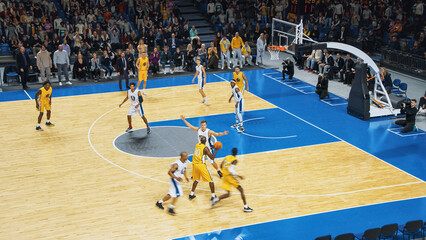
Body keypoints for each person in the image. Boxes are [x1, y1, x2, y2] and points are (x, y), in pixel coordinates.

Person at [211, 148, 253, 212]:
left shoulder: (227, 157)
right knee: (241, 190)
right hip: (230, 177)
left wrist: (224, 172)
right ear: (236, 153)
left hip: (224, 176)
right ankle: (245, 207)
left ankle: (216, 199)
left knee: (228, 194)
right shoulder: (235, 160)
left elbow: (221, 165)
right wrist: (239, 176)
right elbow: (231, 170)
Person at [188, 136, 220, 201]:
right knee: (211, 180)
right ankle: (213, 196)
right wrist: (216, 150)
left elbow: (205, 151)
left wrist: (211, 148)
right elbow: (212, 157)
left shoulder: (197, 145)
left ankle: (191, 194)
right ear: (205, 142)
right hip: (201, 165)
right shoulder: (205, 148)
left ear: (200, 140)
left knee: (196, 180)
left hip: (195, 165)